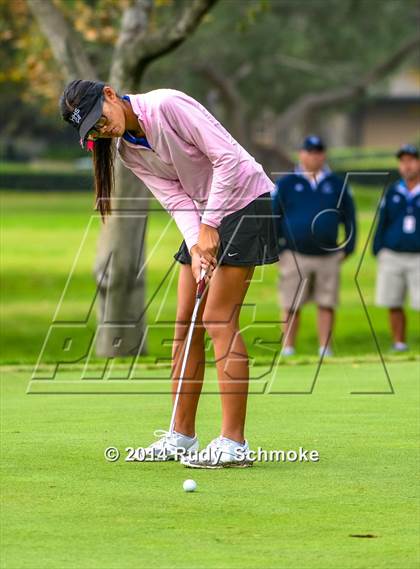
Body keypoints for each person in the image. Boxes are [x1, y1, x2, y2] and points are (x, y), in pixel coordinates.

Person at [59, 80, 279, 468]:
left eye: (99, 119)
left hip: (246, 200)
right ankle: (181, 436)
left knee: (217, 318)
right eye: (91, 130)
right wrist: (197, 245)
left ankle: (233, 443)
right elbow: (175, 196)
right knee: (185, 324)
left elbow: (227, 158)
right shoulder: (128, 150)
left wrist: (210, 226)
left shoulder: (167, 106)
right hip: (206, 212)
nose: (100, 129)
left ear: (110, 94)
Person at [271, 135, 356, 357]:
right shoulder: (287, 183)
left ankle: (324, 348)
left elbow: (350, 217)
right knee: (291, 304)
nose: (314, 156)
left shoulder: (336, 184)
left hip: (328, 255)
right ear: (301, 154)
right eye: (309, 151)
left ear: (323, 155)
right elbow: (273, 217)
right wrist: (277, 250)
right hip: (294, 254)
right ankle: (288, 348)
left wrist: (347, 248)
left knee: (326, 302)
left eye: (318, 152)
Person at [373, 144, 420, 352]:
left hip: (418, 255)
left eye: (411, 160)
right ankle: (399, 343)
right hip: (393, 253)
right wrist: (378, 248)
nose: (407, 165)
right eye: (403, 161)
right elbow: (382, 221)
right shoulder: (393, 191)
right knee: (393, 301)